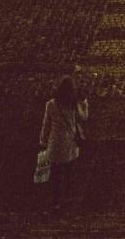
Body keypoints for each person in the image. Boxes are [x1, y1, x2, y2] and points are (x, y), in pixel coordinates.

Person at [37, 76, 90, 209]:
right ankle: (68, 198)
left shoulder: (51, 104)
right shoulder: (73, 103)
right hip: (70, 143)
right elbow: (84, 117)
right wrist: (84, 103)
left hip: (55, 143)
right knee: (69, 171)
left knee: (56, 174)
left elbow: (46, 124)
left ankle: (56, 202)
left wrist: (43, 140)